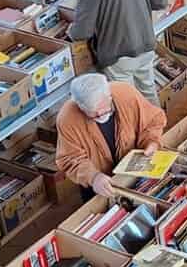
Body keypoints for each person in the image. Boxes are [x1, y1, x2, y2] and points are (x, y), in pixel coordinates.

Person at [69, 0, 169, 104]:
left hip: (119, 54)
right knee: (148, 93)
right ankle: (158, 126)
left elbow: (82, 33)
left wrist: (72, 30)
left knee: (127, 102)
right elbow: (161, 2)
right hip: (146, 45)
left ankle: (136, 129)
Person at [56, 72, 166, 200]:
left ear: (109, 95)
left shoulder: (126, 93)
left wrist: (151, 142)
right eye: (95, 115)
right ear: (80, 106)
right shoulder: (67, 119)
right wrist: (93, 177)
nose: (102, 115)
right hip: (99, 184)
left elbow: (152, 121)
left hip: (135, 170)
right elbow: (70, 158)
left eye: (107, 109)